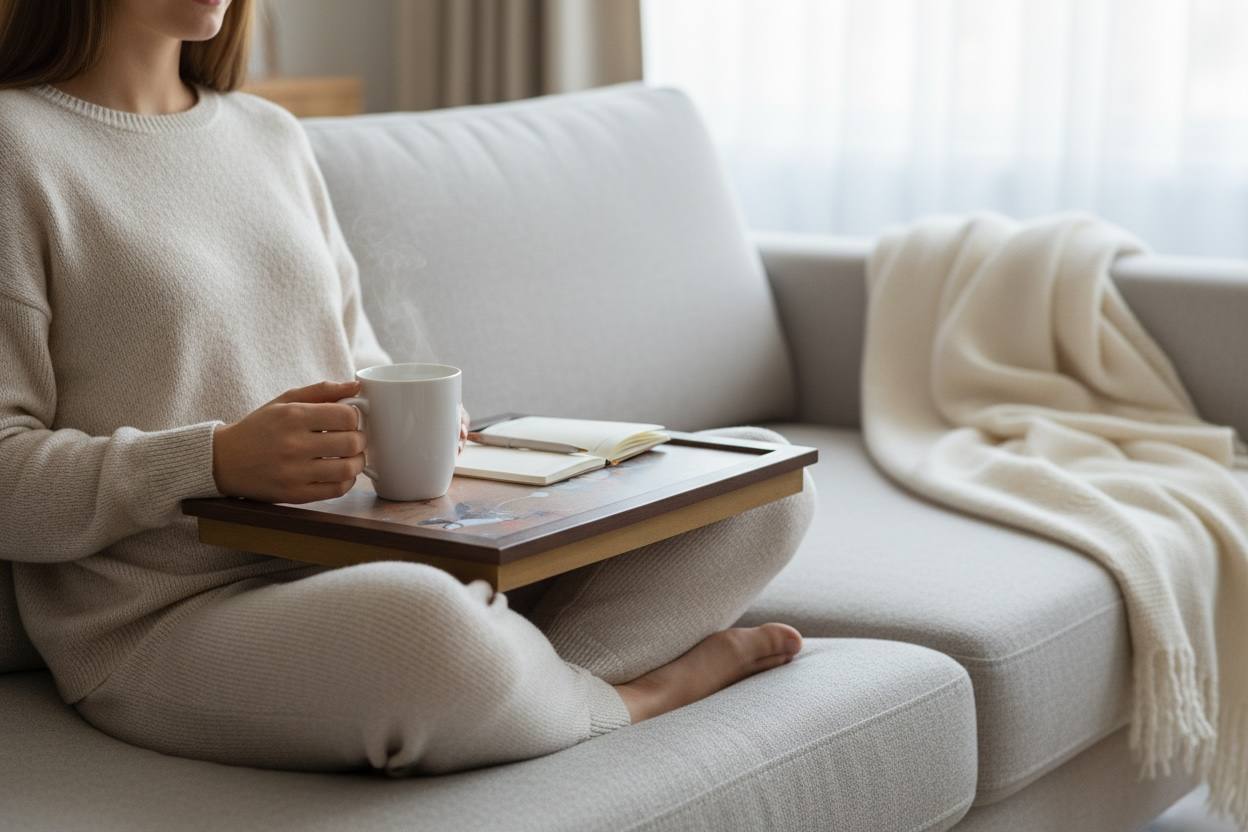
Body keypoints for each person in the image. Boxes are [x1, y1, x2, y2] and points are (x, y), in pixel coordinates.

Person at [0, 0, 815, 774]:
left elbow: (357, 354)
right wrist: (211, 462)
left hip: (364, 558)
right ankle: (631, 697)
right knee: (422, 629)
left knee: (761, 485)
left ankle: (518, 689)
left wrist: (413, 422)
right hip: (167, 617)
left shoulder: (268, 134)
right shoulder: (17, 146)